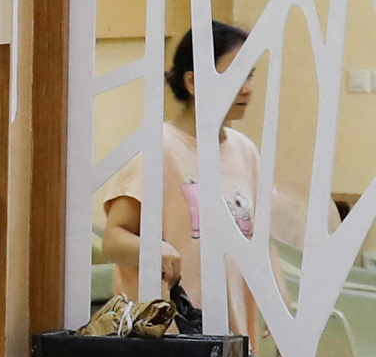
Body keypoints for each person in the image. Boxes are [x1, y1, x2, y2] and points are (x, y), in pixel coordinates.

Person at [94, 18, 261, 334]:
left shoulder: (245, 151)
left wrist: (283, 315)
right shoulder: (156, 148)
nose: (248, 88)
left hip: (230, 336)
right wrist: (154, 250)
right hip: (165, 338)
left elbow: (260, 242)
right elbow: (113, 240)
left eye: (250, 75)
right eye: (236, 74)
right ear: (193, 82)